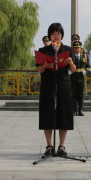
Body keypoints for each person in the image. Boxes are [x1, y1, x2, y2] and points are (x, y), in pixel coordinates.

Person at [37, 22, 76, 157]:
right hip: (48, 84)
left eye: (58, 34)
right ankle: (49, 145)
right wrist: (45, 65)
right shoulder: (43, 50)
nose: (56, 36)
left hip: (63, 84)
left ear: (62, 35)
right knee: (47, 114)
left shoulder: (67, 49)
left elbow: (73, 69)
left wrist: (70, 62)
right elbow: (39, 69)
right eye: (53, 34)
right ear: (49, 36)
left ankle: (61, 146)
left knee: (63, 114)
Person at [70, 40, 89, 116]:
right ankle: (74, 110)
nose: (77, 49)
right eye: (76, 48)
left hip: (81, 77)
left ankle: (80, 110)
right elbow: (67, 66)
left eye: (78, 48)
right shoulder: (71, 57)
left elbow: (88, 66)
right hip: (73, 77)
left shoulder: (85, 57)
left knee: (80, 95)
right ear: (73, 49)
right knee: (73, 95)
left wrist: (85, 71)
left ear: (81, 49)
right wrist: (69, 71)